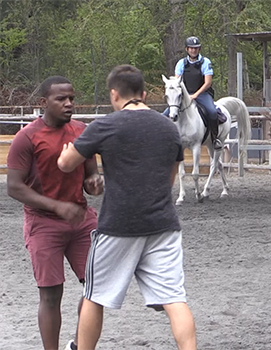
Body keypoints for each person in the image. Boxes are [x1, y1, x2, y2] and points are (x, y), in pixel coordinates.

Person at [57, 65, 197, 350]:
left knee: (94, 296)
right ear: (144, 94)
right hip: (163, 224)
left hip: (118, 225)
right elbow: (169, 180)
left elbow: (66, 164)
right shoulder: (169, 129)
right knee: (174, 298)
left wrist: (65, 153)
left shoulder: (106, 125)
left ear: (114, 94)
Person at [6, 76, 103, 350]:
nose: (69, 103)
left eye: (71, 98)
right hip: (43, 224)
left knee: (97, 288)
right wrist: (55, 206)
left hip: (82, 222)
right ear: (43, 102)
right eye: (61, 99)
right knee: (51, 295)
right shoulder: (27, 137)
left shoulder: (83, 132)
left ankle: (80, 344)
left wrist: (94, 184)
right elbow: (14, 187)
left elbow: (91, 178)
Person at [163, 35, 222, 150]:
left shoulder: (205, 62)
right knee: (165, 115)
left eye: (195, 48)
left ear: (199, 49)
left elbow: (207, 83)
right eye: (191, 48)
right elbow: (177, 81)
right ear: (187, 49)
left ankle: (215, 139)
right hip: (184, 95)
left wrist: (196, 95)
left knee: (212, 112)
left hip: (202, 93)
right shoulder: (181, 63)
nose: (193, 50)